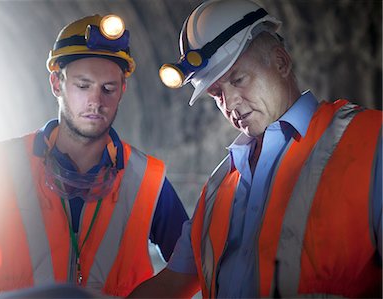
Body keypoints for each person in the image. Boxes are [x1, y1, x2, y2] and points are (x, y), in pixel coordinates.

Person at [129, 0, 382, 298]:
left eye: (238, 79)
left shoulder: (369, 141)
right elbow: (171, 284)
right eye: (217, 93)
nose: (230, 103)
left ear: (280, 62)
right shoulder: (218, 185)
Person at [0, 14, 189, 297]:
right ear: (57, 84)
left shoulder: (146, 179)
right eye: (83, 85)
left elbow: (192, 266)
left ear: (123, 91)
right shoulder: (3, 168)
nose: (96, 100)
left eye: (108, 88)